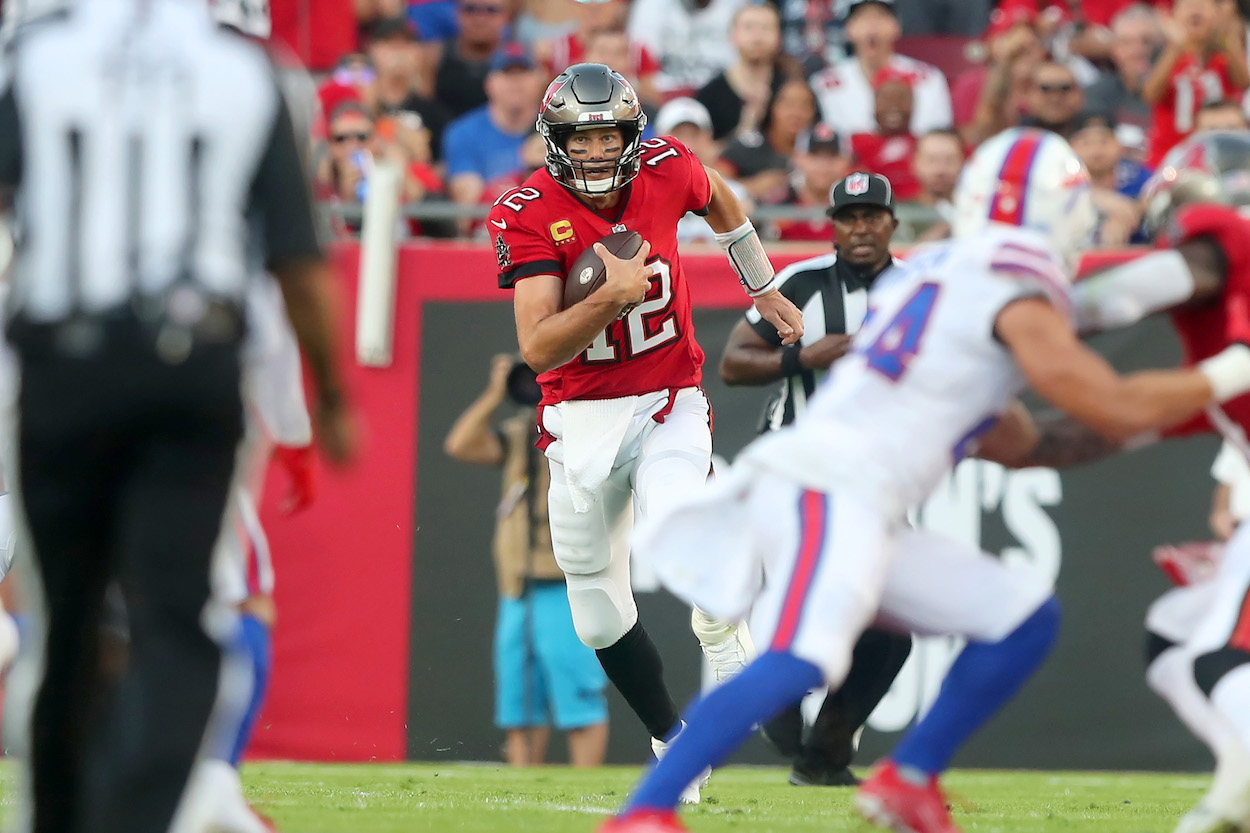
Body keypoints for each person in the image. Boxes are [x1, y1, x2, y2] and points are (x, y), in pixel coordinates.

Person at [596, 127, 1250, 833]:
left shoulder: (950, 271)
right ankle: (646, 811)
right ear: (1064, 211)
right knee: (797, 656)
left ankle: (909, 778)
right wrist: (1232, 369)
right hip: (830, 484)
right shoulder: (1011, 283)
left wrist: (1176, 413)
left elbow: (1025, 443)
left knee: (1020, 613)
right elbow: (1107, 398)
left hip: (859, 497)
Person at [0, 4, 355, 833]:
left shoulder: (39, 54)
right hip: (187, 367)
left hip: (63, 363)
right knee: (179, 619)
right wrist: (329, 400)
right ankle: (150, 812)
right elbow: (296, 262)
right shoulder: (243, 68)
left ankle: (63, 816)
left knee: (65, 624)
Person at [489, 62, 803, 804]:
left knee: (680, 528)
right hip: (578, 419)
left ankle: (722, 629)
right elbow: (537, 348)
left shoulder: (668, 166)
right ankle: (673, 736)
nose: (597, 151)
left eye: (611, 135)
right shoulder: (526, 210)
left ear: (635, 135)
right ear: (555, 140)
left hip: (667, 398)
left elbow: (721, 200)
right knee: (597, 613)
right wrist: (609, 300)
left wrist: (760, 280)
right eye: (582, 137)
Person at [1057, 128, 1250, 833]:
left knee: (1216, 660)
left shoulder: (1221, 229)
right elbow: (1117, 425)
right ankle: (1237, 788)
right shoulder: (1223, 361)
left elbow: (1167, 278)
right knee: (1174, 638)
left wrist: (1047, 315)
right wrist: (994, 444)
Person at [719, 172, 913, 788]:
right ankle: (778, 704)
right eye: (848, 216)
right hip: (798, 467)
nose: (860, 227)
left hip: (878, 479)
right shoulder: (799, 283)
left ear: (891, 223)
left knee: (888, 632)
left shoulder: (918, 289)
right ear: (830, 224)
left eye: (871, 215)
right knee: (814, 602)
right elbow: (732, 362)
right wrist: (806, 355)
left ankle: (823, 752)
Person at [444, 354, 610, 768]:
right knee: (520, 707)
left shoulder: (593, 431)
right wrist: (495, 393)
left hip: (566, 585)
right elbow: (460, 443)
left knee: (579, 702)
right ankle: (522, 798)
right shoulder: (520, 436)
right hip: (518, 587)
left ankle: (584, 798)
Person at [810, 0, 952, 137]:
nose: (872, 27)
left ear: (897, 27)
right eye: (863, 18)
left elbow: (937, 136)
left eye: (880, 17)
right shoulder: (823, 84)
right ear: (848, 29)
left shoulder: (928, 79)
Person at [444, 45, 547, 233]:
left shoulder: (557, 130)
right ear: (489, 82)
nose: (516, 82)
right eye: (507, 73)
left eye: (524, 72)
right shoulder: (462, 133)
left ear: (539, 81)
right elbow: (468, 210)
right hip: (488, 234)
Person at [1141, 0, 1249, 166]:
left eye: (1203, 6)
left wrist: (1229, 39)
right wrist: (1176, 48)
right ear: (1173, 16)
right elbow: (1150, 94)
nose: (1195, 10)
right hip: (1170, 155)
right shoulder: (1163, 53)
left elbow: (1243, 82)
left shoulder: (1224, 55)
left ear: (1216, 14)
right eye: (1187, 6)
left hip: (1221, 154)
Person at [714, 77, 817, 205]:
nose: (796, 113)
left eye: (804, 105)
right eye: (788, 104)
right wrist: (751, 187)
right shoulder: (751, 144)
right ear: (773, 107)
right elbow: (716, 180)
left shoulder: (822, 148)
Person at [694, 4, 786, 141]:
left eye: (766, 28)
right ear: (732, 36)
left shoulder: (792, 89)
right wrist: (747, 123)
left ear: (779, 38)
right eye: (748, 27)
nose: (757, 36)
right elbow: (699, 153)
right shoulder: (710, 95)